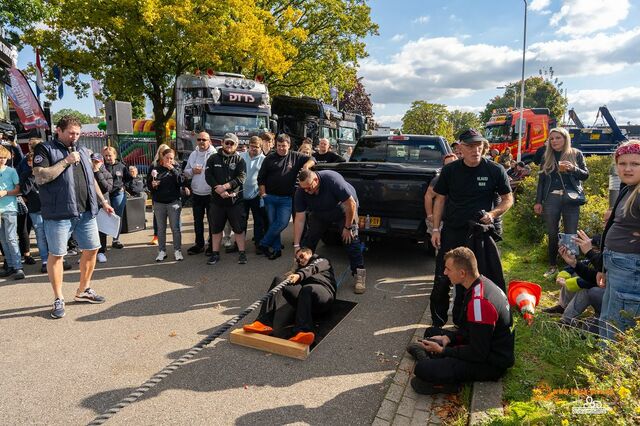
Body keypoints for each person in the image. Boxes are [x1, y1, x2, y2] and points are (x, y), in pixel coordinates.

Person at [32, 116, 113, 319]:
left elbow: (91, 179)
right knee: (57, 255)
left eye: (77, 133)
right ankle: (58, 298)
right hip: (59, 213)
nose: (74, 137)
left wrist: (103, 202)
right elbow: (41, 176)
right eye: (70, 133)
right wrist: (66, 161)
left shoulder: (83, 151)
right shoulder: (45, 149)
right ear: (58, 130)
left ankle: (83, 290)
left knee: (93, 249)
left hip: (85, 212)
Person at [430, 129, 513, 327]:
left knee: (474, 279)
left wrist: (492, 214)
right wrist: (435, 229)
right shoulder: (450, 170)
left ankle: (464, 322)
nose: (475, 150)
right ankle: (437, 322)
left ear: (483, 147)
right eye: (469, 146)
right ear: (460, 148)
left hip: (478, 233)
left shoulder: (495, 170)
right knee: (443, 277)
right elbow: (439, 199)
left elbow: (508, 199)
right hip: (453, 230)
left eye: (478, 146)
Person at [407, 247, 515, 395]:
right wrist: (448, 337)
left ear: (462, 273)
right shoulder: (480, 283)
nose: (445, 273)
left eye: (448, 269)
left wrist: (444, 350)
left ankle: (437, 368)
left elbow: (478, 354)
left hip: (491, 363)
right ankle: (432, 358)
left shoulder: (479, 303)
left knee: (422, 370)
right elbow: (470, 330)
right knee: (431, 332)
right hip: (484, 345)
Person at [243, 247, 337, 346]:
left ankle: (303, 331)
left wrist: (299, 275)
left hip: (324, 296)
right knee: (279, 280)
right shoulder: (299, 270)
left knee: (307, 289)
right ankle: (263, 322)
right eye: (297, 259)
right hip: (306, 299)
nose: (300, 260)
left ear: (309, 253)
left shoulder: (322, 260)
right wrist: (294, 274)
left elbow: (313, 267)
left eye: (301, 256)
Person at [293, 169, 366, 294]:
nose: (306, 191)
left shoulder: (332, 179)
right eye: (303, 188)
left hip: (344, 210)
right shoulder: (301, 190)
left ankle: (359, 273)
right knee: (310, 239)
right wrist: (296, 245)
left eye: (309, 188)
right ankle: (300, 270)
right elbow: (299, 219)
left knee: (350, 240)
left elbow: (351, 204)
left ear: (315, 180)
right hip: (320, 211)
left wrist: (348, 227)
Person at [598, 141, 640, 340]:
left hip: (631, 269)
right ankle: (607, 362)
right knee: (609, 317)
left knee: (619, 324)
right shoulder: (629, 188)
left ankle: (612, 366)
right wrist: (603, 268)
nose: (628, 168)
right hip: (617, 265)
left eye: (635, 164)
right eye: (622, 164)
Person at [534, 127, 589, 279]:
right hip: (551, 198)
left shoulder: (576, 154)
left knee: (571, 234)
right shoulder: (547, 156)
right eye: (552, 139)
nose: (554, 141)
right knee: (552, 233)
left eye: (558, 138)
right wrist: (538, 201)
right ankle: (552, 266)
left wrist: (573, 169)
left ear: (565, 139)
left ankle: (571, 267)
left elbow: (585, 175)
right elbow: (541, 181)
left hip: (571, 199)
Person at [257, 134, 315, 259]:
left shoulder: (295, 156)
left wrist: (306, 166)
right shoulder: (269, 158)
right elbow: (260, 178)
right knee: (274, 224)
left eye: (284, 146)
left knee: (282, 223)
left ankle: (263, 243)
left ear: (289, 145)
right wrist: (263, 194)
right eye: (279, 146)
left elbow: (312, 158)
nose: (281, 148)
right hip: (270, 198)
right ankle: (277, 250)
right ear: (276, 145)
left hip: (286, 199)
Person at [204, 133, 247, 265]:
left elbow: (241, 178)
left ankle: (242, 254)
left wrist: (226, 187)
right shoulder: (213, 158)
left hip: (235, 202)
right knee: (216, 229)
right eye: (227, 143)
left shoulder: (240, 160)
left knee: (238, 229)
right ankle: (215, 254)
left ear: (236, 145)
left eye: (232, 143)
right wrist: (218, 188)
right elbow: (208, 175)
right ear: (222, 143)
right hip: (217, 201)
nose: (229, 145)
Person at [147, 148, 184, 262]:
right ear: (162, 157)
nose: (169, 160)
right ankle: (162, 251)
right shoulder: (155, 169)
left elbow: (181, 181)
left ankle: (177, 250)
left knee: (175, 228)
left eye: (171, 158)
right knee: (161, 228)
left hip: (173, 203)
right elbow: (148, 185)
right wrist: (153, 185)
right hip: (159, 203)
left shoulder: (176, 168)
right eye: (167, 158)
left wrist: (172, 169)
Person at [183, 131, 216, 255]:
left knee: (212, 221)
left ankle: (213, 245)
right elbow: (186, 172)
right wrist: (192, 171)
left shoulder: (214, 155)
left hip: (211, 193)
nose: (201, 142)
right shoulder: (193, 154)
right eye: (199, 140)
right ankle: (199, 244)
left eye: (204, 140)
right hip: (197, 193)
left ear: (209, 141)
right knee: (197, 221)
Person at [0, 146, 25, 280]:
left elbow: (18, 190)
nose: (2, 160)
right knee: (3, 240)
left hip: (9, 208)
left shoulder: (11, 171)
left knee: (11, 238)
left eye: (4, 158)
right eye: (0, 158)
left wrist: (6, 193)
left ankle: (18, 267)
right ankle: (10, 266)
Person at [241, 136, 266, 254]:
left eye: (256, 147)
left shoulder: (264, 159)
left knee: (258, 221)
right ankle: (239, 244)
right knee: (241, 221)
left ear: (260, 147)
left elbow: (265, 178)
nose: (254, 149)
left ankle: (258, 244)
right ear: (249, 146)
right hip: (242, 194)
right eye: (252, 146)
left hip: (256, 195)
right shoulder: (241, 157)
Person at [102, 146, 131, 249]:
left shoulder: (122, 166)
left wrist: (124, 187)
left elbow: (128, 179)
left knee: (117, 217)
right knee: (104, 217)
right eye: (106, 156)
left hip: (118, 194)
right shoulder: (102, 166)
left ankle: (116, 240)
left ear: (115, 155)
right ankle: (103, 242)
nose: (108, 158)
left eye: (110, 155)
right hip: (105, 195)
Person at [424, 153, 458, 234]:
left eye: (452, 163)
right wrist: (429, 215)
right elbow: (428, 196)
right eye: (447, 165)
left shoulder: (463, 177)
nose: (450, 166)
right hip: (441, 221)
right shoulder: (439, 179)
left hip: (456, 220)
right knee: (441, 245)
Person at [147, 143, 171, 246]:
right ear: (159, 153)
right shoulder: (154, 165)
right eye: (162, 152)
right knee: (157, 217)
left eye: (166, 152)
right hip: (158, 197)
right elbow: (148, 181)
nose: (164, 154)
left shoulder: (173, 164)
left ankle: (176, 236)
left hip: (171, 197)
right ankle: (156, 236)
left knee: (175, 218)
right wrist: (152, 185)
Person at [93, 153, 114, 263]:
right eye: (93, 161)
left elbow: (106, 188)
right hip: (90, 205)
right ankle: (90, 252)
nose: (95, 164)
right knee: (90, 230)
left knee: (102, 229)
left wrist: (97, 172)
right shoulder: (87, 172)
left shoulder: (106, 173)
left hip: (102, 204)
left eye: (97, 161)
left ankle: (101, 251)